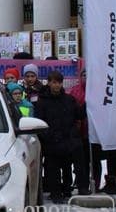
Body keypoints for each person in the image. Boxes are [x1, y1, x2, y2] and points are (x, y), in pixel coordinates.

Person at [35, 70, 88, 201]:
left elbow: (79, 114)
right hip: (52, 141)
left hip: (70, 139)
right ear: (49, 83)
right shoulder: (42, 102)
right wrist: (48, 136)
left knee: (77, 163)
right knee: (53, 169)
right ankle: (56, 192)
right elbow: (39, 122)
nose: (57, 85)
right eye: (54, 82)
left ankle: (81, 187)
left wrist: (89, 103)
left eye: (59, 82)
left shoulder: (69, 99)